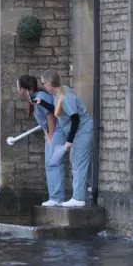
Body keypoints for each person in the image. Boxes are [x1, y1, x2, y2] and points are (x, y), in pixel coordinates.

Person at [36, 69, 93, 208]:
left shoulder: (65, 95)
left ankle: (78, 198)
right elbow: (57, 110)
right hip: (78, 131)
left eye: (44, 83)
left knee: (78, 162)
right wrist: (41, 103)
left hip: (82, 130)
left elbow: (75, 118)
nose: (43, 86)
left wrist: (69, 140)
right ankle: (80, 194)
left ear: (50, 83)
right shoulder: (58, 92)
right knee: (76, 162)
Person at [17, 75, 67, 207]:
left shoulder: (40, 96)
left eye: (18, 86)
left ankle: (58, 198)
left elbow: (51, 117)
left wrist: (50, 137)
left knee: (54, 162)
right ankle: (54, 197)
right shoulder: (32, 99)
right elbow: (43, 122)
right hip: (51, 131)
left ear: (23, 88)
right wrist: (47, 135)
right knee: (49, 163)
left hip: (57, 129)